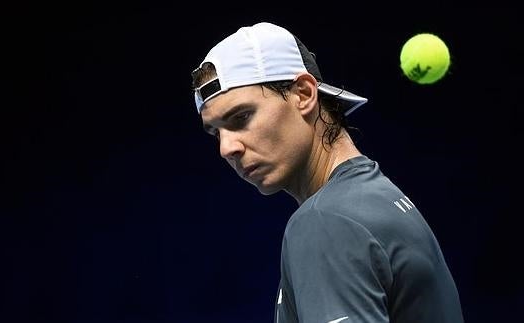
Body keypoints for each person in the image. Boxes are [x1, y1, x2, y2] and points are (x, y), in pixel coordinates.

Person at [190, 22, 464, 323]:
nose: (227, 148)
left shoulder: (326, 221)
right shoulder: (379, 198)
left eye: (242, 117)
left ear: (304, 94)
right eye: (216, 133)